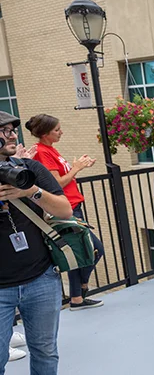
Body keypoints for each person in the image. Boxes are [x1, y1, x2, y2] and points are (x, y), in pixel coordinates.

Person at [0, 110, 74, 375]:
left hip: (41, 276)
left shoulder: (29, 169)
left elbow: (64, 208)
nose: (12, 135)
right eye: (3, 130)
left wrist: (28, 191)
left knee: (45, 349)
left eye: (13, 129)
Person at [27, 114, 105, 311]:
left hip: (72, 206)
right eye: (57, 130)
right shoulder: (43, 153)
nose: (61, 132)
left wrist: (77, 164)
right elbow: (57, 183)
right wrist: (77, 168)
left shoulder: (50, 150)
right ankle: (82, 288)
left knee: (78, 251)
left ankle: (77, 298)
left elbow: (61, 176)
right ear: (45, 134)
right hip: (65, 209)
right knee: (94, 249)